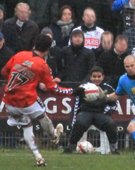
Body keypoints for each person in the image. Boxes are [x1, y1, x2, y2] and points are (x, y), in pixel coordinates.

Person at [1, 34, 84, 166]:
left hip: (9, 100)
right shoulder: (42, 65)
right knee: (42, 115)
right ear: (47, 50)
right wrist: (73, 91)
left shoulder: (20, 55)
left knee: (27, 125)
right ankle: (53, 136)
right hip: (27, 101)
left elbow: (5, 72)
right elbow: (53, 89)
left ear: (34, 45)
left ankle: (38, 156)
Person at [64, 66, 119, 154]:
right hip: (85, 112)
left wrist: (106, 111)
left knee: (110, 123)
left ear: (103, 77)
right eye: (94, 76)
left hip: (101, 113)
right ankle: (70, 147)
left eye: (99, 76)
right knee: (80, 123)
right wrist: (73, 120)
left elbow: (115, 104)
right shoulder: (83, 88)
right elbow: (76, 104)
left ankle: (114, 149)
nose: (96, 79)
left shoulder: (108, 88)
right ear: (90, 77)